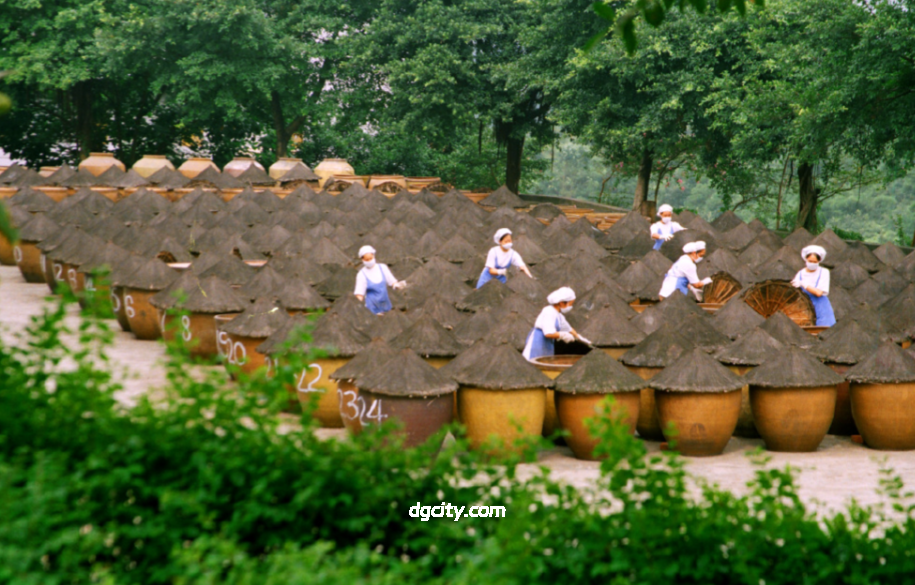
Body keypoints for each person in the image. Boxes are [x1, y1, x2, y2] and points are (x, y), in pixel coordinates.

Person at [522, 287, 592, 360]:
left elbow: (569, 329)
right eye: (570, 304)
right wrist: (563, 335)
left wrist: (580, 338)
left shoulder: (559, 316)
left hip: (547, 344)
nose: (570, 307)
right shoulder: (549, 311)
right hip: (538, 343)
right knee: (533, 362)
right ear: (561, 303)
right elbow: (548, 333)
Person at [791, 245, 836, 327]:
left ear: (819, 261)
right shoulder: (800, 273)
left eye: (815, 262)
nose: (812, 263)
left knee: (824, 328)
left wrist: (804, 284)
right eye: (810, 261)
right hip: (805, 308)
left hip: (821, 307)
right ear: (806, 260)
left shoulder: (824, 272)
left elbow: (819, 293)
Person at [354, 245, 406, 315]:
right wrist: (361, 308)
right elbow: (359, 294)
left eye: (370, 258)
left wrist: (396, 285)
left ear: (374, 256)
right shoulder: (361, 274)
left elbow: (392, 281)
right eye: (366, 260)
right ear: (362, 260)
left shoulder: (382, 267)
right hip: (372, 306)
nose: (369, 261)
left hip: (385, 303)